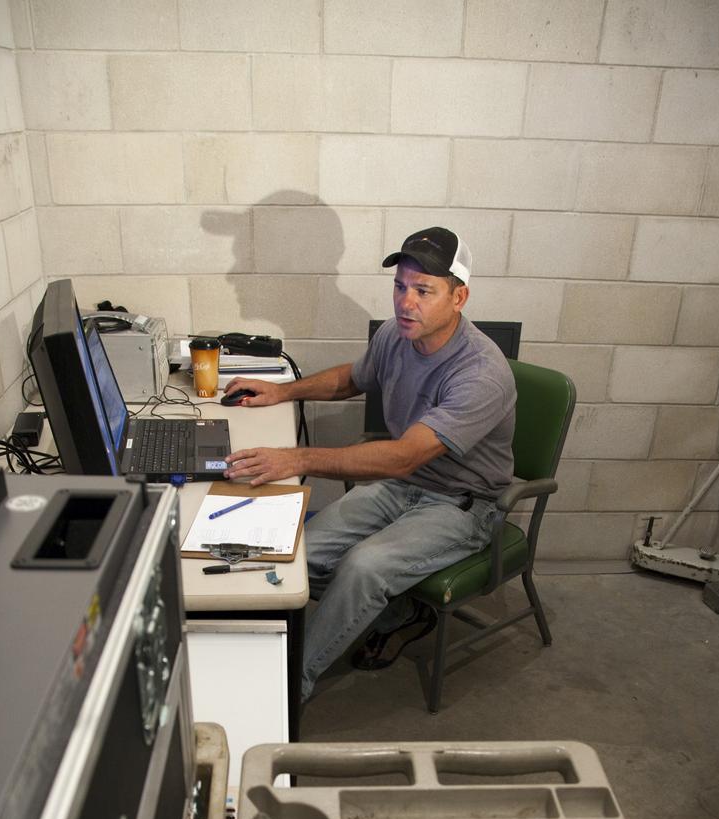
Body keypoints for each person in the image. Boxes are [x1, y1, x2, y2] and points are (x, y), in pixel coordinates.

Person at [221, 226, 516, 702]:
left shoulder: (481, 373)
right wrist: (283, 390)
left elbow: (404, 457)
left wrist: (296, 459)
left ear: (458, 297)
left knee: (363, 567)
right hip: (406, 485)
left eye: (423, 291)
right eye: (400, 286)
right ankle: (400, 613)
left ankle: (288, 686)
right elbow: (351, 379)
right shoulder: (397, 338)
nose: (406, 302)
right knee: (299, 553)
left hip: (463, 505)